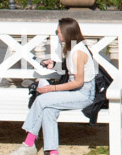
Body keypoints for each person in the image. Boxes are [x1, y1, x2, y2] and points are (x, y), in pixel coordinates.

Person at [18, 16, 95, 153]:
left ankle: (29, 143)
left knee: (42, 100)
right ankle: (52, 152)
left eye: (57, 32)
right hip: (75, 92)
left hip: (83, 94)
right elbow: (71, 69)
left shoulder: (78, 52)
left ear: (66, 33)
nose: (57, 34)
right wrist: (54, 65)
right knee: (49, 111)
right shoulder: (74, 48)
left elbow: (78, 82)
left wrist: (52, 88)